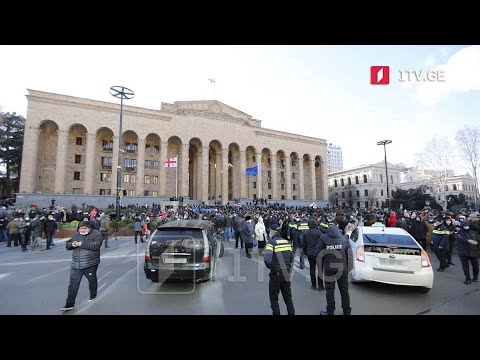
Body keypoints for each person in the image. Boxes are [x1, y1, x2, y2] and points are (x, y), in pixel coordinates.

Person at [60, 221, 103, 311]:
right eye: (80, 228)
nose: (82, 230)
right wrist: (72, 244)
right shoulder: (76, 235)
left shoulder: (97, 234)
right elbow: (68, 245)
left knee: (92, 281)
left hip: (90, 263)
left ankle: (93, 294)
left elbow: (96, 245)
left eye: (84, 228)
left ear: (89, 228)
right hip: (76, 264)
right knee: (73, 284)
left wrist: (81, 244)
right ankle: (69, 304)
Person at [316, 223, 353, 315]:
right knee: (344, 290)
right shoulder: (344, 239)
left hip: (329, 268)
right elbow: (349, 255)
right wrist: (348, 268)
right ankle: (347, 311)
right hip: (342, 268)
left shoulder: (323, 238)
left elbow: (318, 254)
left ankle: (330, 311)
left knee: (330, 291)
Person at [263, 228, 295, 315]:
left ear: (273, 233)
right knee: (288, 297)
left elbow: (267, 260)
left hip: (276, 274)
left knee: (274, 298)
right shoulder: (287, 243)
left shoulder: (271, 243)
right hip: (286, 273)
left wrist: (273, 267)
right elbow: (291, 258)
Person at [303, 219, 323, 290]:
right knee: (320, 270)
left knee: (312, 269)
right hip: (319, 253)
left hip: (310, 253)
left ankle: (313, 285)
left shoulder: (305, 233)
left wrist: (305, 253)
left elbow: (304, 244)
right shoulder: (319, 233)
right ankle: (320, 286)